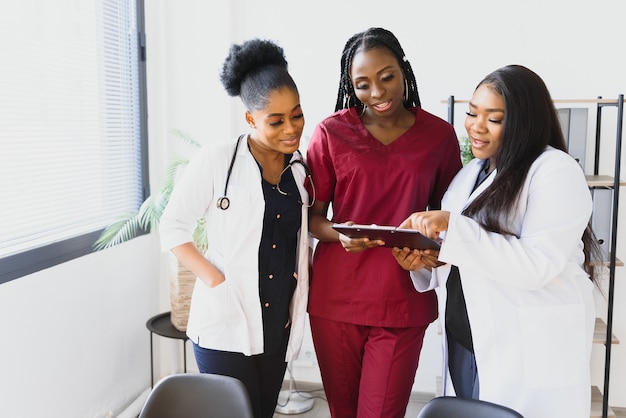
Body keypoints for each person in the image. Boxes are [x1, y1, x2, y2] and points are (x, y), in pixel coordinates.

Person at [393, 64, 599, 418]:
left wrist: (453, 228)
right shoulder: (471, 173)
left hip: (524, 347)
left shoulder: (555, 171)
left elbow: (537, 265)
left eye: (494, 118)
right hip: (469, 340)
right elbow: (465, 253)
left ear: (523, 122)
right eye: (472, 113)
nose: (476, 125)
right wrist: (431, 259)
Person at [306, 27, 462, 417]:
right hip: (336, 298)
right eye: (362, 84)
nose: (377, 92)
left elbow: (454, 222)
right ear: (350, 85)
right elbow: (313, 217)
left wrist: (436, 256)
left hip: (402, 298)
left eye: (387, 77)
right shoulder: (330, 132)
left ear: (403, 70)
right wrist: (340, 234)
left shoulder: (439, 136)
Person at [159, 39, 311, 418]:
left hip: (277, 323)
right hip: (225, 322)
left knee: (261, 413)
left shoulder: (300, 169)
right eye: (276, 121)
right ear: (250, 119)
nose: (291, 128)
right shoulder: (217, 160)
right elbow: (172, 227)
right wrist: (216, 282)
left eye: (297, 114)